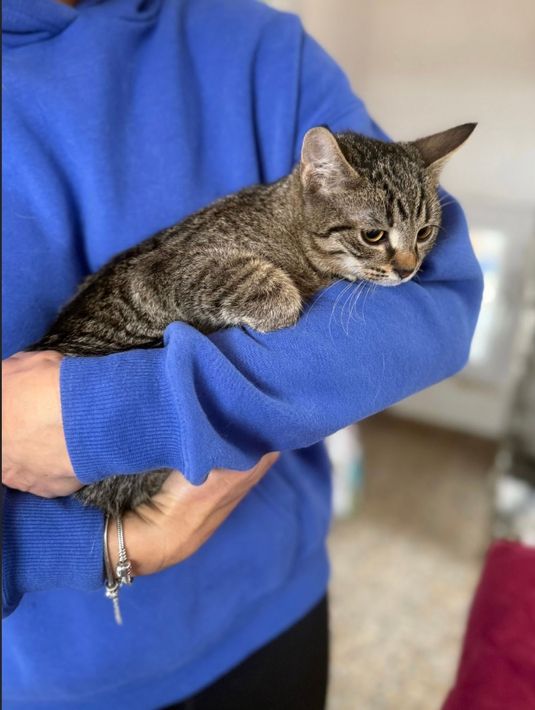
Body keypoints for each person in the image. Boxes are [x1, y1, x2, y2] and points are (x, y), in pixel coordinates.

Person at [1, 1, 483, 708]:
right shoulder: (278, 221)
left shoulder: (256, 39)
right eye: (381, 240)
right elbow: (176, 284)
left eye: (420, 235)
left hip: (273, 606)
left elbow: (437, 305)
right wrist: (88, 548)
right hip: (54, 675)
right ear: (314, 183)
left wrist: (95, 415)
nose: (406, 264)